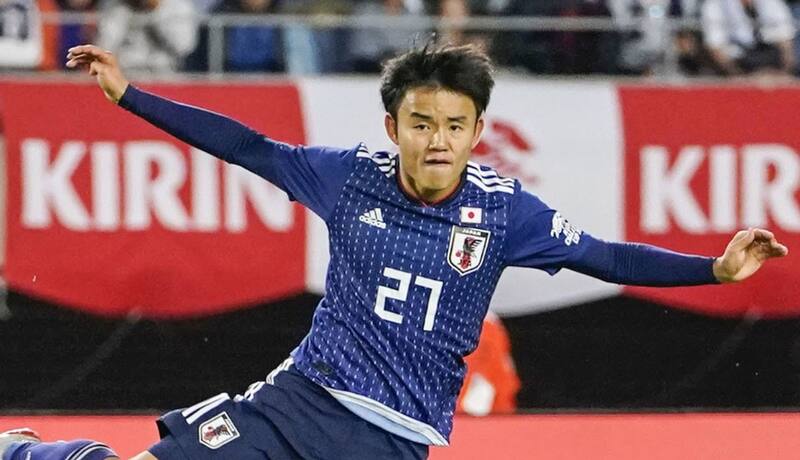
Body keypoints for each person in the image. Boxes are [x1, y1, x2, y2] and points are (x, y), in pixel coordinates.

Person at [3, 41, 788, 460]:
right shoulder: (349, 179)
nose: (437, 140)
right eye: (421, 124)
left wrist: (713, 269)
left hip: (394, 440)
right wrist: (129, 95)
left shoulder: (506, 211)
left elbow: (610, 259)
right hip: (297, 403)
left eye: (454, 125)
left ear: (477, 134)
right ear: (394, 129)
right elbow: (246, 145)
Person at [701, 0, 796, 76]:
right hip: (738, 63)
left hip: (770, 61)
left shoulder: (772, 2)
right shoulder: (715, 4)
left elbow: (785, 38)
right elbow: (715, 46)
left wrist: (784, 73)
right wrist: (740, 77)